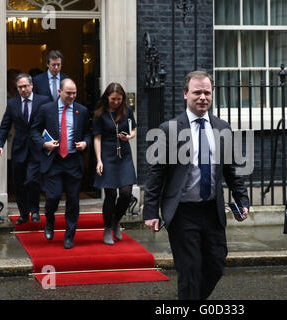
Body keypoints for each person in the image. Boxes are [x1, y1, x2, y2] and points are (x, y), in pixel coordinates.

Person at [143, 71, 250, 300]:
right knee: (189, 270)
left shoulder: (222, 127)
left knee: (216, 264)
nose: (202, 97)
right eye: (197, 92)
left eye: (207, 92)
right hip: (183, 212)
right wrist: (150, 211)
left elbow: (232, 169)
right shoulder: (169, 129)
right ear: (185, 94)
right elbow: (156, 174)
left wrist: (242, 199)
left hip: (212, 210)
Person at [31, 78, 91, 249]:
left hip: (73, 160)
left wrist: (85, 143)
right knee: (53, 196)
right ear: (59, 92)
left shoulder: (82, 110)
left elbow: (87, 133)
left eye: (74, 93)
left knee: (73, 200)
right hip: (54, 160)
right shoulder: (46, 109)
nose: (72, 96)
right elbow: (34, 130)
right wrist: (44, 144)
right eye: (68, 93)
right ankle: (49, 220)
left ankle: (69, 235)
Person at [0, 73, 51, 224]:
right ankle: (23, 213)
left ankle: (34, 210)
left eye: (26, 86)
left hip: (37, 148)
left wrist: (51, 142)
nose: (23, 89)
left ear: (31, 86)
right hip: (19, 148)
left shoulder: (43, 101)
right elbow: (5, 126)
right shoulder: (12, 103)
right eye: (20, 87)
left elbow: (50, 122)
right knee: (19, 183)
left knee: (33, 180)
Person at [93, 83, 137, 245]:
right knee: (110, 194)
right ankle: (106, 228)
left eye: (119, 99)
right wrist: (99, 160)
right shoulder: (100, 113)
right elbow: (97, 137)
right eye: (113, 99)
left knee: (126, 193)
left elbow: (133, 129)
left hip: (124, 154)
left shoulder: (127, 111)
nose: (116, 102)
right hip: (107, 154)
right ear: (107, 97)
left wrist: (129, 137)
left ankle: (116, 221)